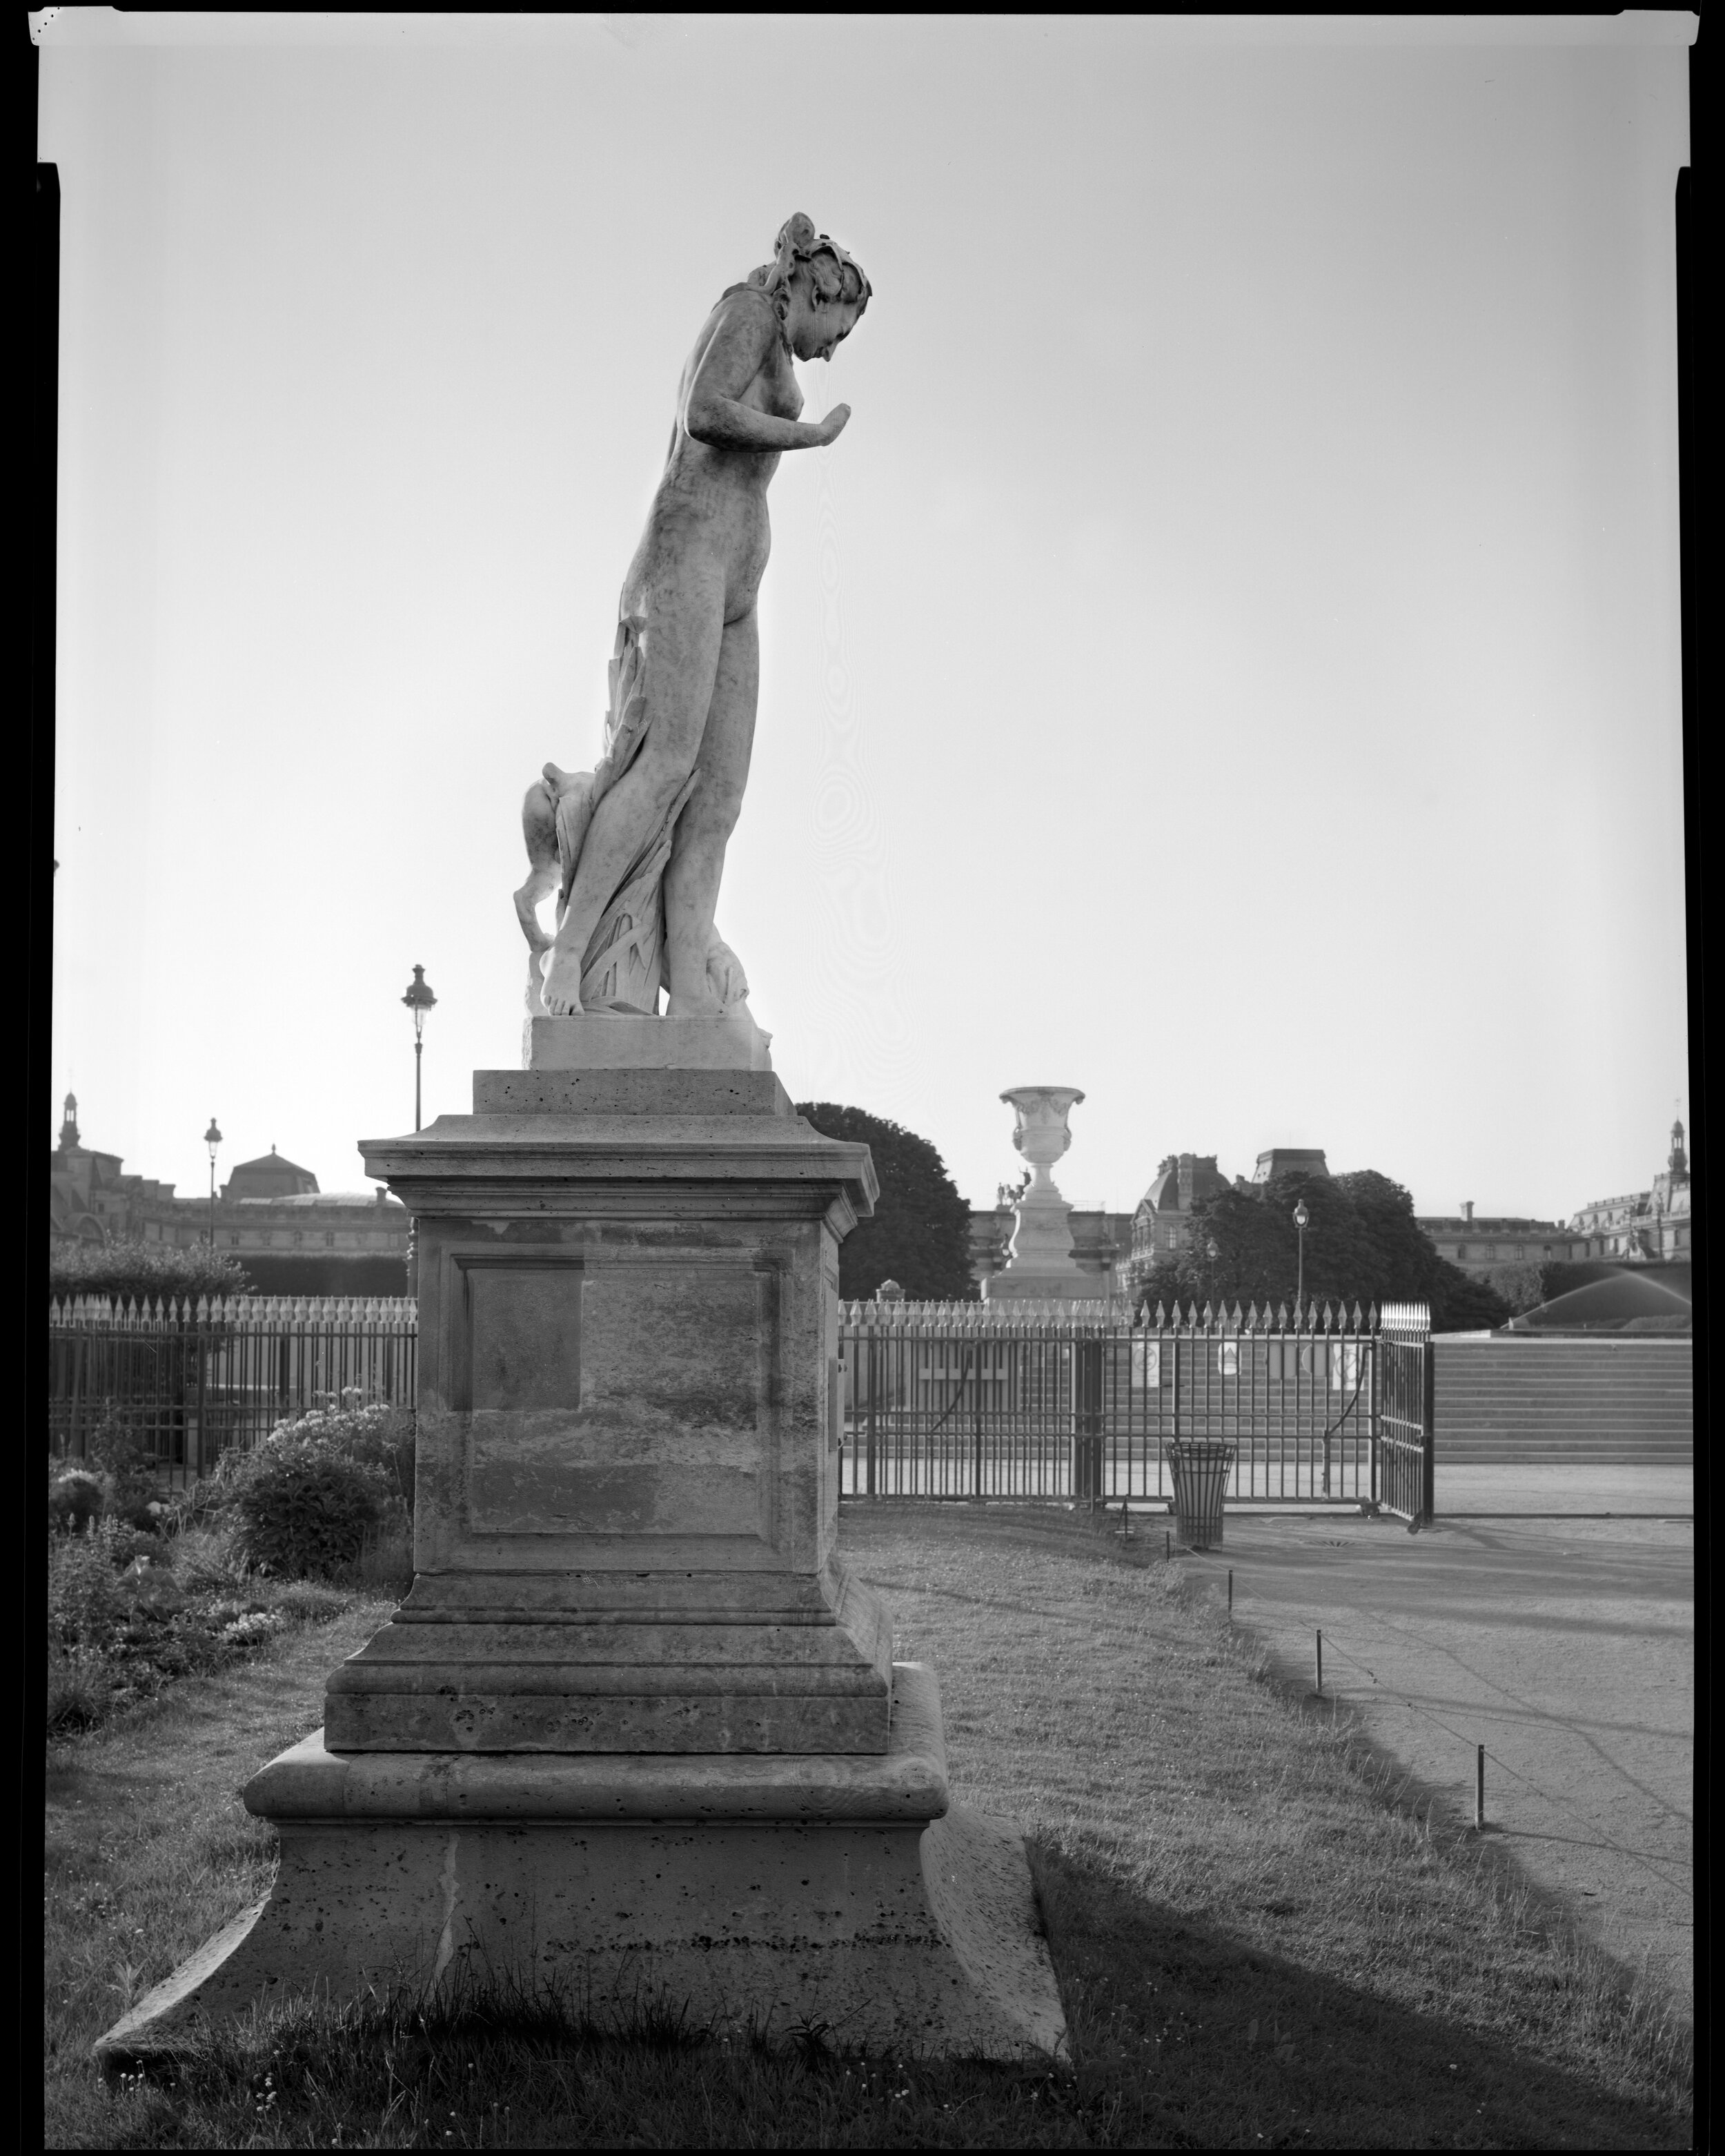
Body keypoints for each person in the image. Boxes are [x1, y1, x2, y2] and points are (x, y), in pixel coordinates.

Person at [527, 213, 871, 1019]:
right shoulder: (747, 312)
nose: (829, 351)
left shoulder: (777, 339)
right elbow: (706, 413)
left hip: (737, 578)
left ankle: (690, 976)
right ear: (808, 290)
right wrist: (806, 434)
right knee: (666, 763)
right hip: (686, 557)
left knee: (719, 797)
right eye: (835, 329)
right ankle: (568, 958)